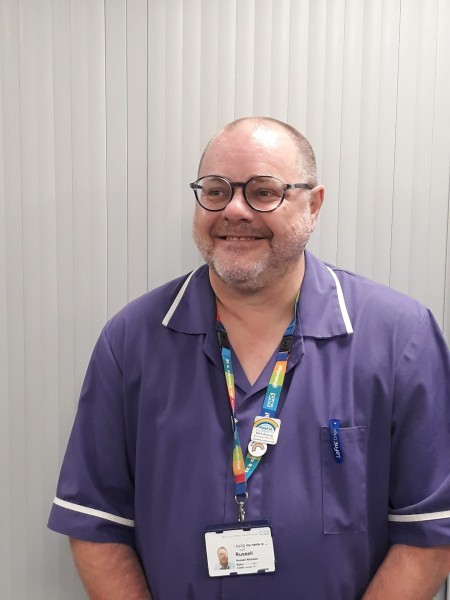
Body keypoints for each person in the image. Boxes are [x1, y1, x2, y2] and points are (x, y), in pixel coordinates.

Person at [48, 117, 450, 599]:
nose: (234, 210)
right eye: (216, 191)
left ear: (314, 204)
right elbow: (96, 523)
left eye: (263, 192)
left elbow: (430, 531)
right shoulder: (131, 341)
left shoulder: (399, 338)